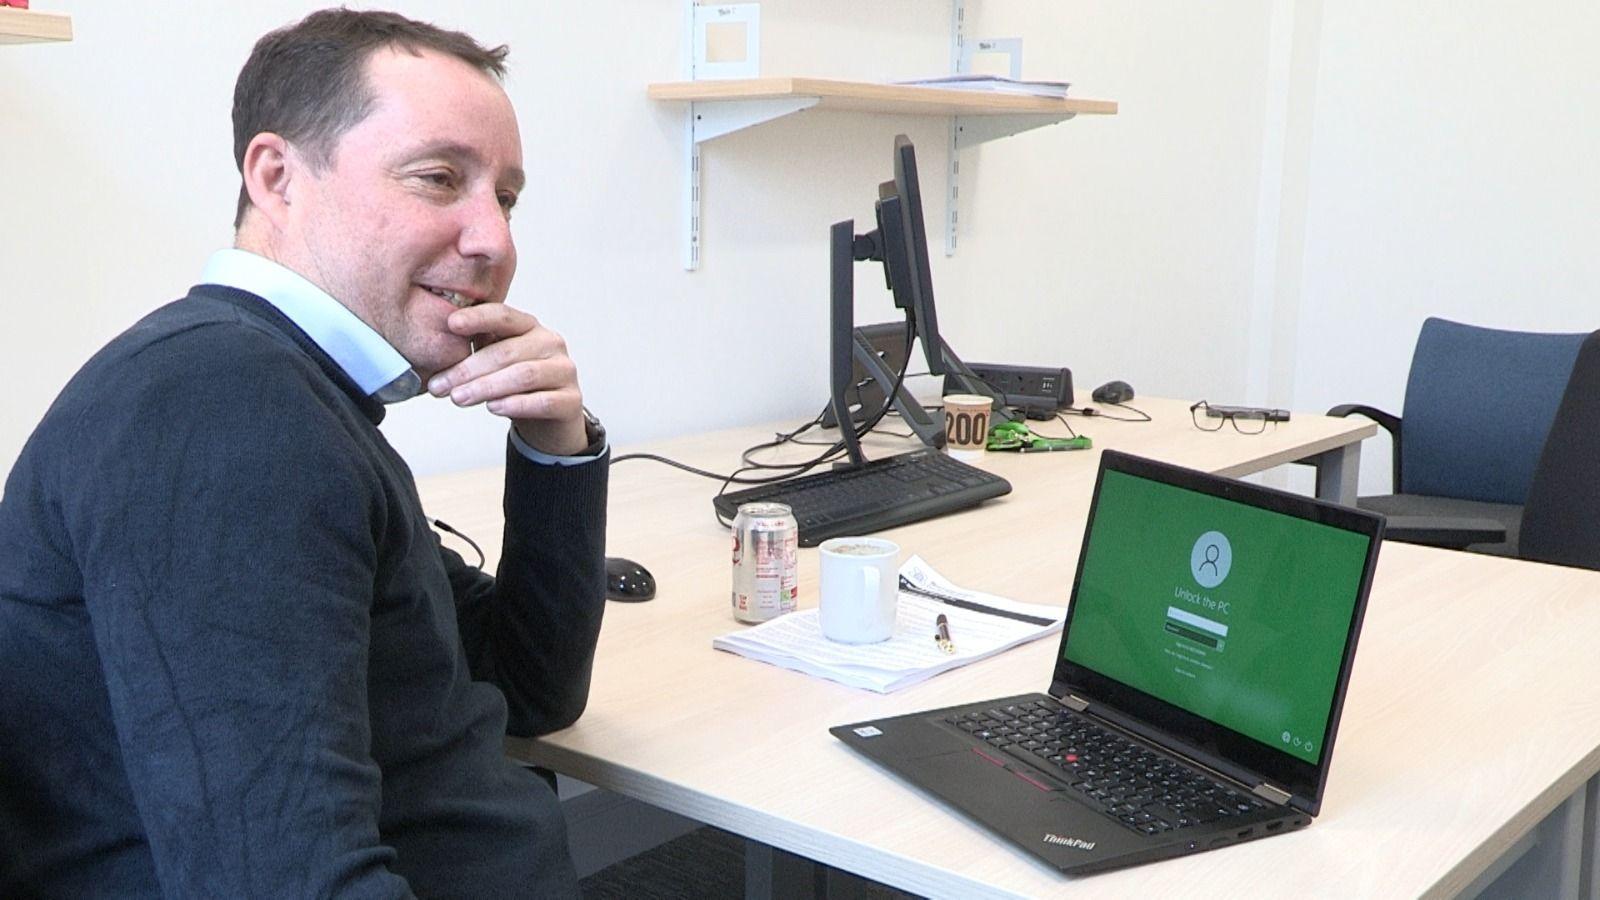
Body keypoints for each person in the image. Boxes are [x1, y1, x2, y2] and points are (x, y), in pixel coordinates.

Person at [0, 9, 608, 897]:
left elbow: (527, 687)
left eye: (505, 197)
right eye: (440, 178)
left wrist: (555, 444)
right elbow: (277, 880)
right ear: (277, 176)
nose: (496, 240)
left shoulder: (284, 389)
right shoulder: (222, 408)